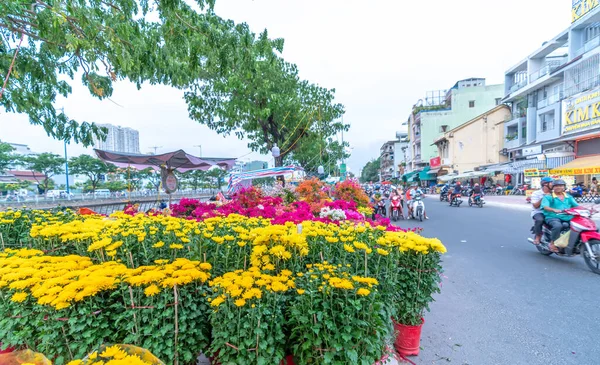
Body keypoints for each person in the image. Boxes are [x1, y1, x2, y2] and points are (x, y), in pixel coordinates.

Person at [541, 179, 581, 253]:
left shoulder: (568, 197)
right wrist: (554, 210)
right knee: (557, 226)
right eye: (556, 186)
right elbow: (545, 207)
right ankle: (553, 244)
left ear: (564, 187)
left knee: (578, 226)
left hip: (567, 216)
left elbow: (577, 206)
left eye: (561, 185)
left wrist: (588, 210)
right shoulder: (548, 197)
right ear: (553, 187)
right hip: (553, 216)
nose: (558, 187)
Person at [530, 177, 553, 244]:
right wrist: (544, 197)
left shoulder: (554, 193)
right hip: (539, 212)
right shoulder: (536, 193)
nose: (553, 184)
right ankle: (538, 236)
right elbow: (535, 206)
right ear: (545, 184)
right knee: (540, 220)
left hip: (551, 211)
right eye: (551, 183)